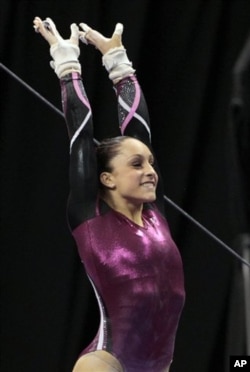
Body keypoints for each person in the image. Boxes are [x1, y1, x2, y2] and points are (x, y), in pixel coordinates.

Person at [33, 16, 185, 372]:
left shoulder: (155, 216)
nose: (150, 171)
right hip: (107, 363)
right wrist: (68, 63)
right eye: (136, 165)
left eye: (150, 164)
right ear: (107, 178)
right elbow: (81, 138)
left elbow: (139, 132)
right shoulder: (90, 216)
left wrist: (118, 62)